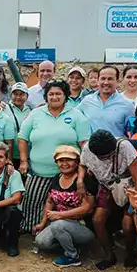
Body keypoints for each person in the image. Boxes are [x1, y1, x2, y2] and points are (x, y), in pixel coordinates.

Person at [18, 80, 92, 233]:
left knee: (65, 206)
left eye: (58, 93)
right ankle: (32, 230)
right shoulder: (36, 114)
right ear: (46, 97)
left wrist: (81, 173)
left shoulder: (76, 115)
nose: (54, 97)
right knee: (31, 202)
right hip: (39, 171)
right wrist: (24, 161)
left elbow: (84, 144)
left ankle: (60, 234)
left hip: (67, 174)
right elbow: (22, 138)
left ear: (65, 96)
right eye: (51, 94)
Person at [82, 129, 137, 270]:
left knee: (127, 225)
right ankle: (109, 255)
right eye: (99, 156)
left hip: (128, 187)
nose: (103, 159)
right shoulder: (87, 148)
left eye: (107, 156)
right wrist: (80, 181)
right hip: (106, 186)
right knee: (97, 220)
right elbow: (82, 165)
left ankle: (130, 254)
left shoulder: (124, 147)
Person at [33, 145, 98, 267]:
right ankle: (70, 243)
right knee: (41, 242)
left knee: (58, 225)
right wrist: (43, 223)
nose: (64, 163)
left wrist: (60, 215)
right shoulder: (56, 178)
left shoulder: (84, 181)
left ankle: (72, 256)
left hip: (82, 225)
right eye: (61, 160)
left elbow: (87, 207)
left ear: (77, 161)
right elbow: (50, 201)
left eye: (69, 160)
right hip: (61, 223)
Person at [80, 65, 136, 138]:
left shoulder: (128, 105)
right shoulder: (87, 101)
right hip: (90, 148)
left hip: (116, 148)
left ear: (117, 81)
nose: (106, 82)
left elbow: (132, 132)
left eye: (110, 79)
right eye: (103, 78)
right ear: (98, 81)